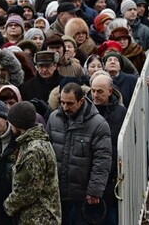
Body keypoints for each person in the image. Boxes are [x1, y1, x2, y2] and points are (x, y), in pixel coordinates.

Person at [46, 82, 112, 224]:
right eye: (62, 103)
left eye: (69, 103)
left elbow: (102, 160)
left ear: (81, 101)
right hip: (57, 193)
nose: (65, 107)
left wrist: (94, 191)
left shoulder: (98, 124)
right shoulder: (53, 118)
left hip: (81, 195)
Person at [3, 101, 61, 224]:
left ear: (17, 123)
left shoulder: (32, 151)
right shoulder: (40, 141)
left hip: (37, 218)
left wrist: (8, 205)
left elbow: (27, 192)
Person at [89, 73, 127, 225]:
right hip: (90, 174)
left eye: (100, 91)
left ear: (110, 91)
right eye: (93, 91)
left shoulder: (121, 112)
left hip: (112, 175)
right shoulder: (85, 111)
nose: (95, 95)